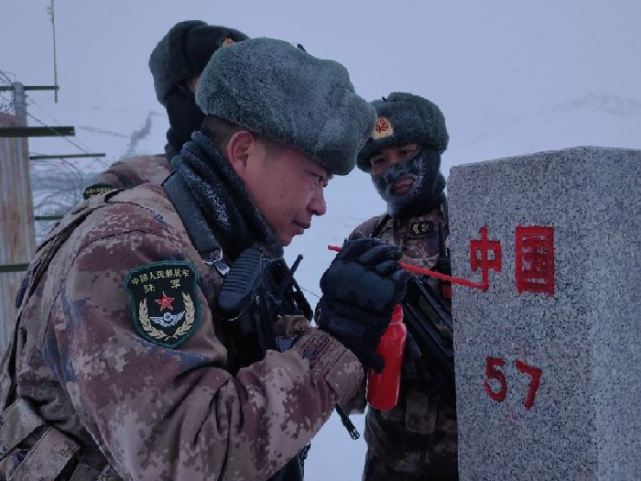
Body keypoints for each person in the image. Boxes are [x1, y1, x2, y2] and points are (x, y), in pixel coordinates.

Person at [0, 39, 409, 481]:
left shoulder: (214, 240)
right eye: (315, 178)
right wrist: (336, 341)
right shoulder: (132, 249)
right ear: (243, 151)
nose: (320, 205)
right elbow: (185, 456)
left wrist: (349, 326)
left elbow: (248, 346)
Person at [350, 92, 458, 481]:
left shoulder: (478, 230)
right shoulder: (364, 241)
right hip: (388, 456)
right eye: (380, 161)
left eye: (405, 152)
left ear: (430, 152)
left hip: (469, 452)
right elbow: (337, 353)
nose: (394, 169)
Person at [83, 20, 248, 198]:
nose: (231, 102)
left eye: (242, 87)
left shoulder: (275, 176)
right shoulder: (131, 181)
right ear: (177, 97)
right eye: (210, 88)